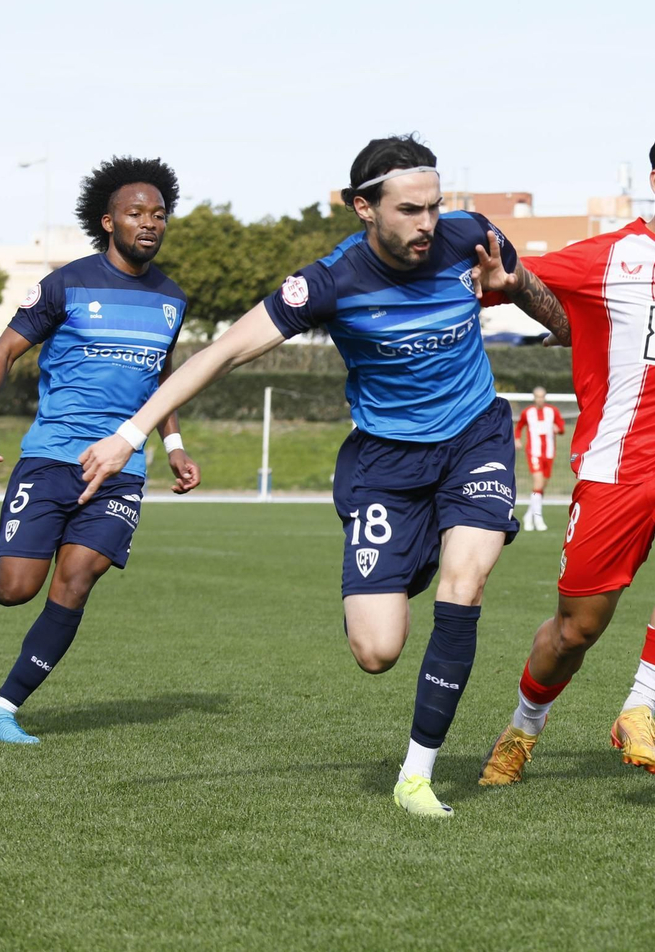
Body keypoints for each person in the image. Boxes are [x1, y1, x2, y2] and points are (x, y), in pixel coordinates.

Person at [76, 134, 569, 819]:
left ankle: (416, 776)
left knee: (468, 583)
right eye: (408, 210)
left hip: (473, 440)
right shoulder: (331, 282)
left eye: (434, 205)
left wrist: (517, 291)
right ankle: (416, 551)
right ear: (362, 208)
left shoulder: (471, 239)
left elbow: (557, 316)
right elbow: (221, 354)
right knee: (377, 650)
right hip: (387, 467)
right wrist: (131, 433)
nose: (427, 223)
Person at [478, 111, 655, 786]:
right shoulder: (608, 257)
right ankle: (523, 726)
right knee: (574, 633)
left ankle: (641, 708)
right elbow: (531, 287)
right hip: (612, 474)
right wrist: (516, 294)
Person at [0, 157, 199, 745]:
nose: (150, 223)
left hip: (120, 469)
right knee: (17, 587)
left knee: (75, 583)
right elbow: (0, 353)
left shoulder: (172, 299)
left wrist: (172, 442)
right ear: (108, 221)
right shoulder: (67, 283)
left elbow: (164, 379)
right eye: (136, 213)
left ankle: (0, 711)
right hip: (51, 457)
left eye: (159, 214)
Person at [514, 386, 564, 531]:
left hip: (549, 453)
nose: (540, 399)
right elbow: (519, 427)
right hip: (534, 452)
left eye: (542, 396)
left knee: (542, 486)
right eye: (537, 396)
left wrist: (558, 429)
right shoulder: (527, 412)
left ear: (545, 397)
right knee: (538, 482)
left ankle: (529, 515)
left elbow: (561, 427)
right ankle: (538, 518)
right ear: (534, 397)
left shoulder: (552, 411)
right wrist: (517, 439)